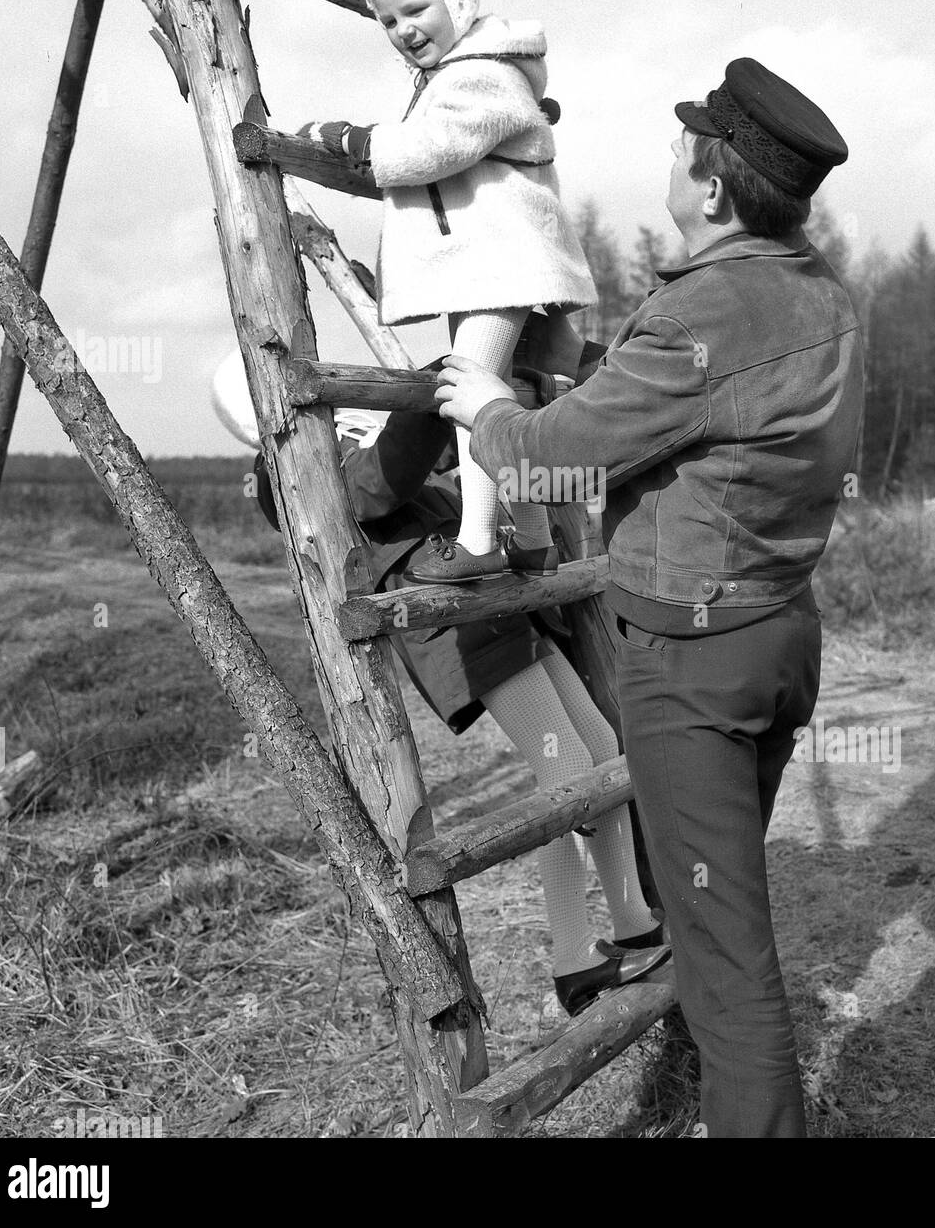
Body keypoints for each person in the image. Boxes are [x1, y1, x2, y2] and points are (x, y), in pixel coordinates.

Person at [435, 58, 865, 1136]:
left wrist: (488, 406)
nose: (670, 160)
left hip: (696, 667)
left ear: (712, 190)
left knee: (725, 962)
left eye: (684, 149)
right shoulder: (820, 296)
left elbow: (547, 461)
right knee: (705, 900)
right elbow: (702, 431)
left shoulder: (701, 315)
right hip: (779, 639)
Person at [251, 394, 669, 1016]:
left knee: (603, 750)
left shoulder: (346, 432)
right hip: (457, 627)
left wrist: (478, 400)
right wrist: (426, 399)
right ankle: (575, 959)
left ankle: (633, 921)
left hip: (500, 606)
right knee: (563, 770)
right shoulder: (284, 467)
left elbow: (446, 454)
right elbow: (380, 483)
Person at [297, 0, 596, 584]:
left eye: (416, 8)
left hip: (504, 265)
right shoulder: (457, 74)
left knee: (472, 392)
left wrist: (353, 140)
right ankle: (530, 539)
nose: (405, 28)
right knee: (499, 397)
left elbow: (430, 149)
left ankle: (479, 540)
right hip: (489, 265)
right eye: (388, 20)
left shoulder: (485, 75)